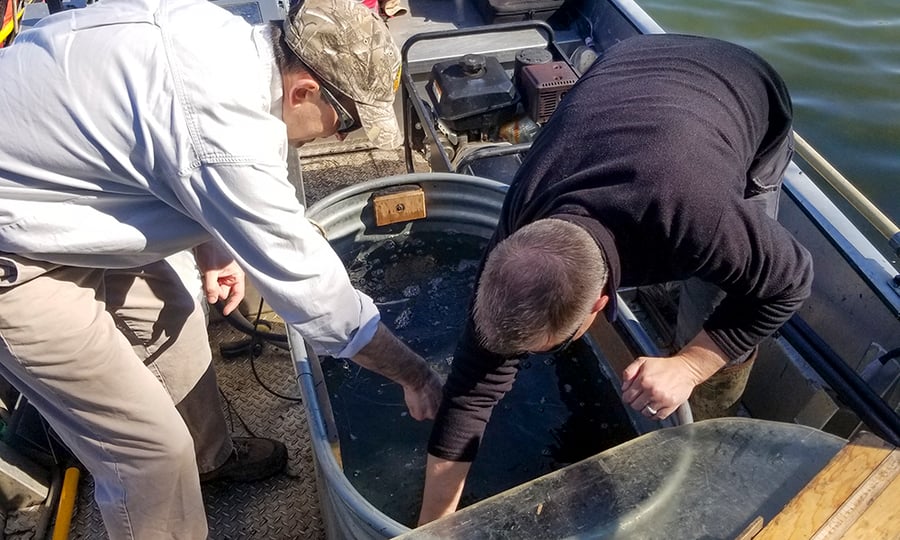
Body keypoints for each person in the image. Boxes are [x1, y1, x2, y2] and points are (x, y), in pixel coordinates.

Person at [0, 0, 443, 537]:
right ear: (304, 90)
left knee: (177, 324)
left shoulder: (223, 35)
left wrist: (210, 242)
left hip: (66, 191)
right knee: (149, 453)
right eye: (345, 125)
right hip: (19, 254)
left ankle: (211, 462)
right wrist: (415, 374)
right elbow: (322, 300)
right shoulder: (227, 135)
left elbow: (156, 144)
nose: (341, 140)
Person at [417, 33, 813, 524]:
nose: (516, 362)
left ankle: (707, 438)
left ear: (600, 306)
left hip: (743, 87)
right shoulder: (520, 224)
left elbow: (790, 281)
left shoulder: (701, 220)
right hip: (630, 65)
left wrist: (690, 366)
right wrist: (433, 530)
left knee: (718, 295)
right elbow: (471, 390)